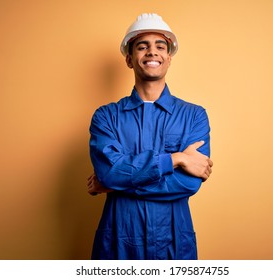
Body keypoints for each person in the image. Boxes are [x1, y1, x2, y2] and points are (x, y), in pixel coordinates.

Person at [87, 13, 213, 260]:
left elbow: (189, 183)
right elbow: (108, 173)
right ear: (129, 59)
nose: (152, 52)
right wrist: (175, 159)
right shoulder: (106, 117)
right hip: (119, 239)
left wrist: (116, 184)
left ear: (168, 58)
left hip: (173, 242)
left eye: (160, 46)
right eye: (142, 46)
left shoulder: (194, 116)